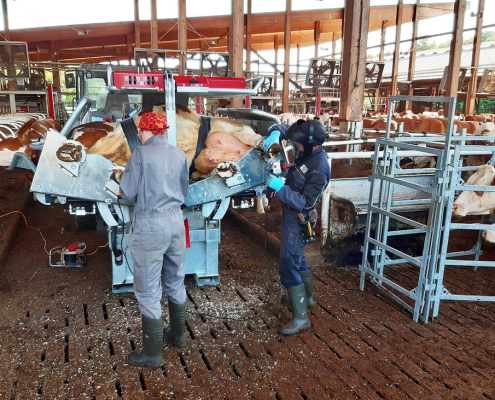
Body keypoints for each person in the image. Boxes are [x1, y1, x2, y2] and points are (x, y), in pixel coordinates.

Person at [119, 112, 189, 367]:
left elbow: (127, 194)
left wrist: (121, 181)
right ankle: (178, 336)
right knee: (175, 280)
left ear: (145, 131)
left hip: (150, 225)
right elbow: (184, 188)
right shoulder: (179, 153)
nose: (139, 135)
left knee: (148, 290)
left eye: (140, 131)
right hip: (175, 223)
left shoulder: (140, 154)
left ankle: (152, 354)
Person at [263, 119, 330, 335]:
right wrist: (275, 133)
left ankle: (301, 318)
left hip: (299, 217)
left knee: (288, 263)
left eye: (298, 145)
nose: (296, 147)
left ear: (311, 144)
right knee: (299, 258)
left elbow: (307, 203)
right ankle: (306, 299)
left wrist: (280, 189)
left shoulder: (319, 169)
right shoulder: (307, 147)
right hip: (291, 214)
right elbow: (286, 130)